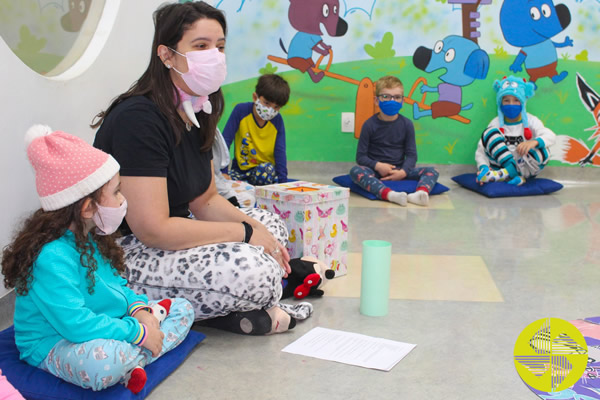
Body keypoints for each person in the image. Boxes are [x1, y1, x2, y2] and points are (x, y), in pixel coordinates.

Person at [92, 1, 311, 335]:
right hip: (126, 255)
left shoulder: (199, 106)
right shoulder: (138, 119)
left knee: (273, 227)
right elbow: (153, 229)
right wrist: (243, 234)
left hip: (176, 230)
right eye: (201, 46)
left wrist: (255, 231)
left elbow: (205, 200)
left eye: (220, 47)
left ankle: (242, 303)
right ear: (166, 55)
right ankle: (253, 296)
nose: (215, 55)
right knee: (258, 271)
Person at [1, 125, 193, 394]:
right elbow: (76, 325)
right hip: (56, 342)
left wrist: (140, 311)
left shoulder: (92, 234)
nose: (123, 199)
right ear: (87, 207)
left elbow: (119, 287)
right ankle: (138, 354)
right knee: (105, 363)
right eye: (116, 192)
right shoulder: (51, 257)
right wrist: (138, 332)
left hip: (106, 323)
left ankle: (138, 356)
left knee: (184, 308)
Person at [349, 75, 439, 207]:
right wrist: (378, 166)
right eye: (386, 96)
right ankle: (390, 195)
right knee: (355, 171)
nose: (392, 100)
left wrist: (402, 172)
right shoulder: (369, 125)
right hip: (375, 171)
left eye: (397, 97)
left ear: (402, 101)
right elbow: (361, 157)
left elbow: (412, 155)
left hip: (400, 169)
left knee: (433, 171)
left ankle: (420, 194)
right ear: (376, 100)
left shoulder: (407, 124)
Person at [475, 75, 556, 186]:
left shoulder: (531, 120)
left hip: (523, 167)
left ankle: (511, 175)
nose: (511, 104)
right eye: (506, 101)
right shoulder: (496, 122)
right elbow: (481, 150)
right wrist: (483, 167)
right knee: (489, 133)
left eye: (516, 100)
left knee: (544, 151)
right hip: (500, 166)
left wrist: (533, 142)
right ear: (500, 103)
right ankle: (509, 173)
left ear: (522, 102)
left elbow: (550, 136)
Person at [222, 73, 290, 185]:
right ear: (255, 97)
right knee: (224, 184)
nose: (270, 110)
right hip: (239, 171)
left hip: (264, 172)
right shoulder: (240, 111)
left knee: (266, 171)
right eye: (266, 103)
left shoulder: (277, 121)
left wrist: (283, 183)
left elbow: (280, 152)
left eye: (276, 107)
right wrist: (223, 171)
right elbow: (225, 141)